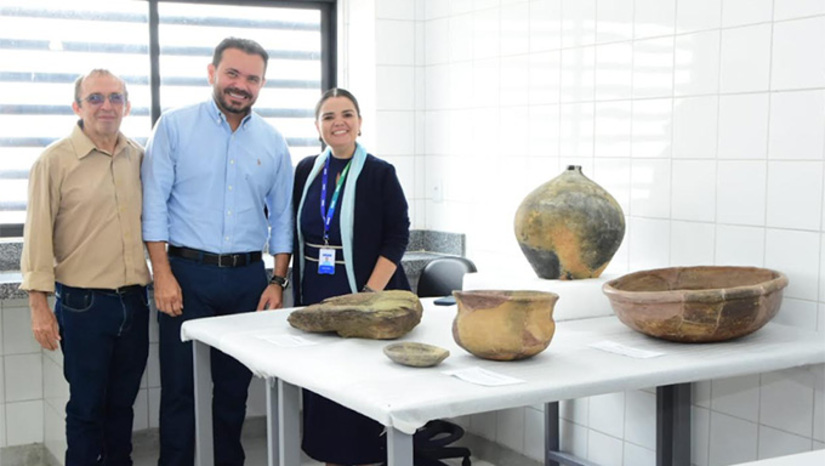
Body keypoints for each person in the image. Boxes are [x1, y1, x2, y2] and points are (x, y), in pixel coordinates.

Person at [141, 37, 293, 466]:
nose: (241, 85)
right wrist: (162, 274)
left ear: (262, 84)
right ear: (212, 72)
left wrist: (277, 281)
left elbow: (282, 219)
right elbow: (153, 205)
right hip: (186, 275)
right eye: (232, 73)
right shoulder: (174, 126)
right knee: (180, 388)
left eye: (252, 78)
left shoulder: (272, 142)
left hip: (247, 280)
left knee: (233, 389)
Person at [20, 69, 151, 465]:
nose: (106, 106)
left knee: (122, 407)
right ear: (77, 107)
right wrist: (39, 307)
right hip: (84, 306)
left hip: (135, 302)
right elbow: (37, 236)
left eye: (115, 98)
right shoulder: (54, 161)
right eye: (95, 98)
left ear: (127, 106)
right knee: (86, 408)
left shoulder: (139, 157)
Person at [292, 88, 411, 465]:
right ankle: (331, 457)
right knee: (325, 381)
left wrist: (369, 293)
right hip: (319, 289)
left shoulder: (380, 173)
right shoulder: (306, 170)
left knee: (362, 381)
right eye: (328, 116)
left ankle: (369, 457)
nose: (338, 122)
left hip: (367, 291)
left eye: (347, 114)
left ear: (360, 123)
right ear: (317, 127)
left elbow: (398, 235)